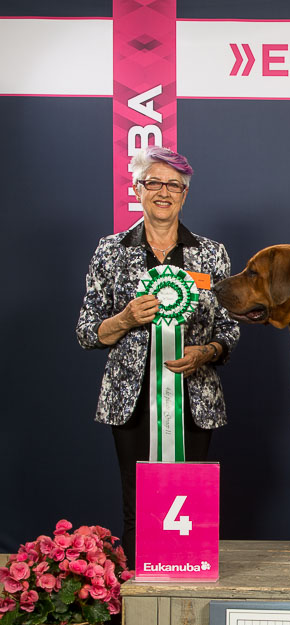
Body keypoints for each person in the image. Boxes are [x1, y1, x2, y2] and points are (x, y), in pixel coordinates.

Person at [76, 146, 240, 563]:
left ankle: (185, 584)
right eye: (154, 183)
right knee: (136, 505)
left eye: (174, 185)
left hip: (194, 397)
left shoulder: (211, 254)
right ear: (137, 189)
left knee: (190, 503)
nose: (163, 192)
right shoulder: (110, 251)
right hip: (130, 400)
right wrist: (125, 318)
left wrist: (207, 351)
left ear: (185, 194)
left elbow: (230, 328)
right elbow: (87, 331)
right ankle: (140, 590)